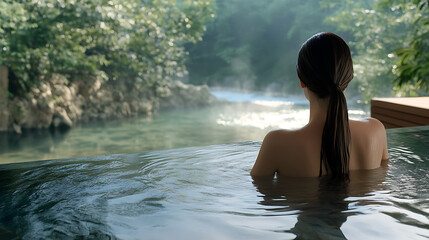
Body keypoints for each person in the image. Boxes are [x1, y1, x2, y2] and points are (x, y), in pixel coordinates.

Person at [250, 32, 389, 179]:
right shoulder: (376, 131)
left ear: (301, 80)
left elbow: (258, 194)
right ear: (348, 79)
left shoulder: (277, 143)